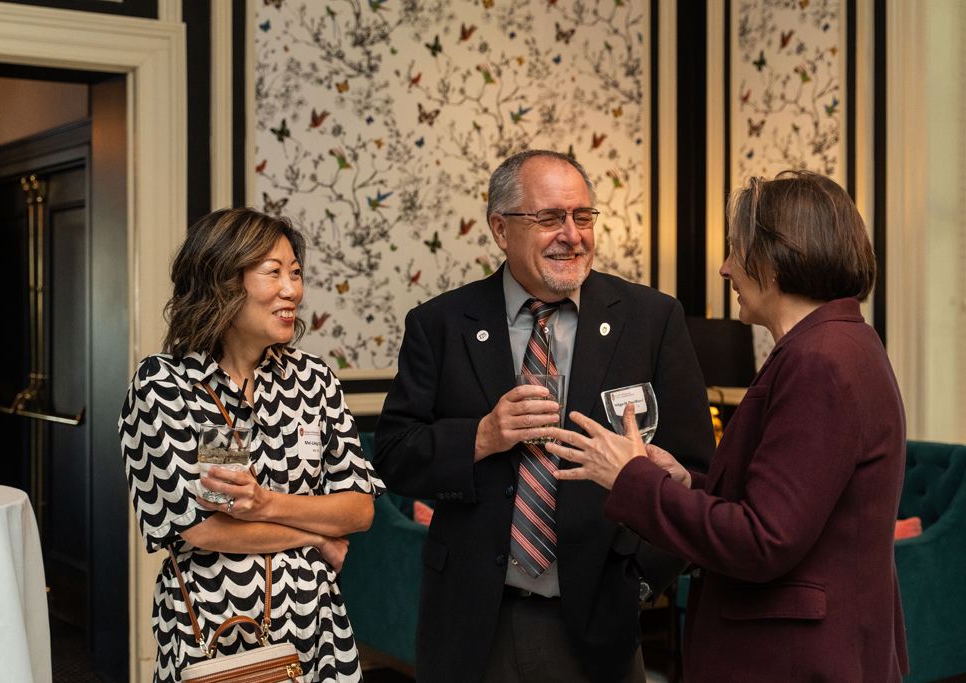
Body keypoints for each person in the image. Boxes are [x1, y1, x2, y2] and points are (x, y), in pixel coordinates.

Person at [546, 171, 910, 682]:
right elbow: (789, 507)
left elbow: (762, 541)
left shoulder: (818, 362)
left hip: (792, 660)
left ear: (779, 258)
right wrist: (686, 484)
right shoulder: (845, 343)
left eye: (737, 251)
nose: (725, 268)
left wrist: (632, 477)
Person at [373, 150, 716, 683]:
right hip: (472, 624)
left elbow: (695, 475)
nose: (572, 235)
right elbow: (394, 456)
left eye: (582, 217)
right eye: (550, 218)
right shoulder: (440, 324)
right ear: (500, 228)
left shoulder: (651, 320)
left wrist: (638, 580)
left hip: (600, 629)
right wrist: (482, 436)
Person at [118, 208, 384, 683]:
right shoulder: (171, 385)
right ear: (222, 280)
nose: (292, 290)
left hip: (316, 623)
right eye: (273, 272)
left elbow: (358, 509)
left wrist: (265, 503)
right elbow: (208, 529)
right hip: (216, 627)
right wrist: (316, 534)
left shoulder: (312, 379)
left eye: (296, 273)